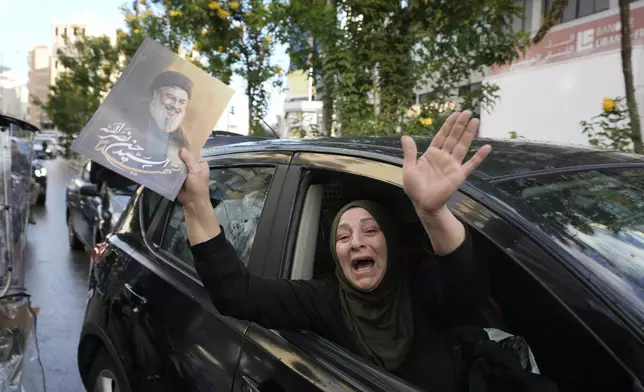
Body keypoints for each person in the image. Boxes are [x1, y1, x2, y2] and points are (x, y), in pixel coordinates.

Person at [178, 111, 493, 391]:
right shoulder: (324, 300)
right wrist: (196, 205)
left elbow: (467, 291)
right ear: (336, 254)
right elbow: (235, 292)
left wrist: (434, 213)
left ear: (392, 245)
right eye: (343, 237)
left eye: (371, 230)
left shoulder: (421, 289)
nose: (356, 242)